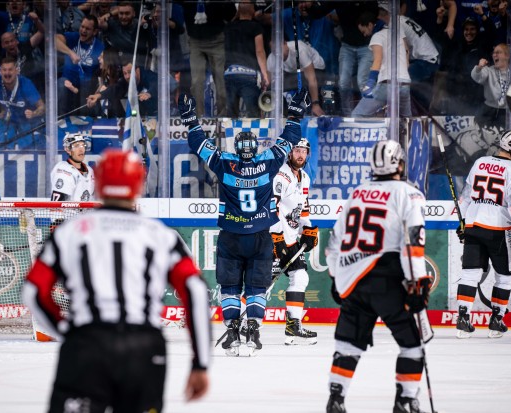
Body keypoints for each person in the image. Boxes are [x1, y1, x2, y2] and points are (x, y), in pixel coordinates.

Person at [22, 149, 211, 412]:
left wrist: (67, 332)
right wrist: (200, 363)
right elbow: (196, 292)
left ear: (98, 183)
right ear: (139, 185)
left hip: (86, 344)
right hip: (144, 348)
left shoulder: (70, 232)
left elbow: (33, 290)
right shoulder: (161, 235)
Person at [179, 89, 308, 356]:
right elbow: (290, 138)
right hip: (261, 234)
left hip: (231, 235)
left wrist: (190, 119)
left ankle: (232, 329)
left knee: (229, 286)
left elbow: (198, 144)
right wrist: (295, 113)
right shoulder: (269, 162)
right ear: (255, 148)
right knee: (257, 286)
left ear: (237, 148)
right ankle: (253, 328)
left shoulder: (224, 163)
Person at [325, 140, 432, 413]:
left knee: (347, 344)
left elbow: (334, 240)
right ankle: (406, 400)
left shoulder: (358, 193)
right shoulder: (409, 194)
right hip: (389, 281)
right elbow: (412, 244)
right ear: (399, 163)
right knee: (412, 344)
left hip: (354, 281)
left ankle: (336, 398)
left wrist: (337, 277)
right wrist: (417, 283)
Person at [454, 130, 511, 339]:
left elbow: (465, 196)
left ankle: (463, 320)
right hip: (499, 230)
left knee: (470, 274)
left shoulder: (480, 162)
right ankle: (496, 321)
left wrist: (463, 223)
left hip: (474, 225)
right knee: (505, 277)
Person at [270, 138, 319, 345]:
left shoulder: (305, 178)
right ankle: (244, 322)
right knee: (264, 284)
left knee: (300, 277)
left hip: (290, 238)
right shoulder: (281, 176)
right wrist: (275, 235)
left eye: (303, 151)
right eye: (296, 150)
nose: (300, 154)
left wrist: (308, 228)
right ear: (289, 153)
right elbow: (270, 206)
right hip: (274, 237)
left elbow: (302, 210)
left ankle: (293, 325)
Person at [352, 8, 412, 118]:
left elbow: (377, 60)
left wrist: (369, 84)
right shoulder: (397, 33)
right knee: (405, 119)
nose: (365, 35)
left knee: (357, 114)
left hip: (388, 84)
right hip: (405, 84)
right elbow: (406, 52)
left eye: (364, 31)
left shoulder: (377, 36)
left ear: (370, 25)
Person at [223, 0, 269, 118]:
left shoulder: (228, 27)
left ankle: (230, 136)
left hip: (230, 73)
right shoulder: (255, 27)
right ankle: (253, 136)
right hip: (249, 75)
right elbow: (259, 51)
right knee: (253, 115)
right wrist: (265, 74)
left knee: (231, 115)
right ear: (252, 10)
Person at [471, 43, 511, 130]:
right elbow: (477, 77)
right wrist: (479, 67)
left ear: (507, 56)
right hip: (489, 110)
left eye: (498, 52)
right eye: (493, 53)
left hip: (509, 111)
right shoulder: (489, 70)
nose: (494, 55)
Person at [50, 132, 95, 201]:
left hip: (86, 211)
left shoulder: (89, 170)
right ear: (68, 149)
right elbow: (58, 208)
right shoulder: (64, 171)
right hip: (69, 212)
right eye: (76, 146)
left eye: (83, 145)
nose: (81, 149)